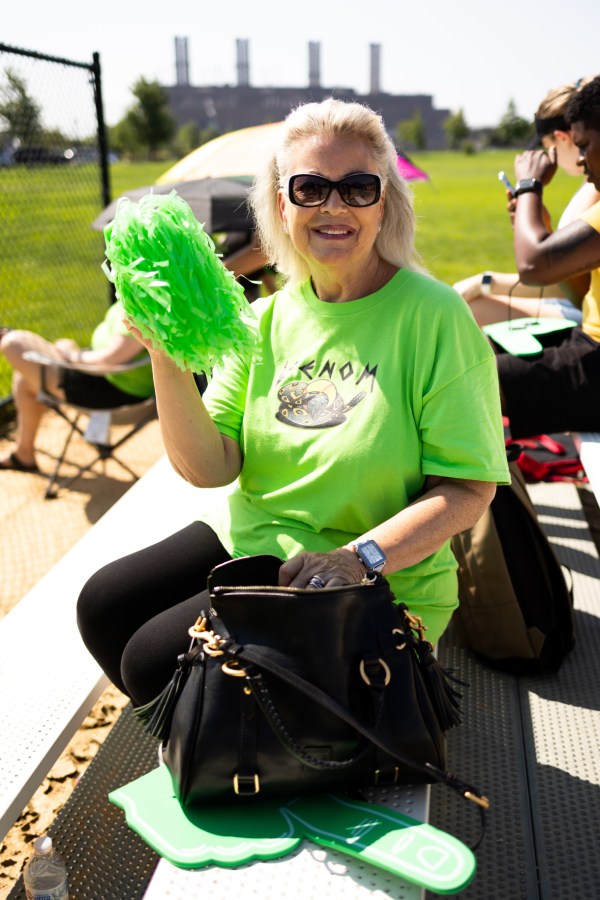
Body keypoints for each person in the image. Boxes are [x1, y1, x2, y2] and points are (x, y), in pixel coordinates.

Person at [76, 98, 509, 708]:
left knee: (153, 660)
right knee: (104, 605)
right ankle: (226, 740)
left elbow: (468, 488)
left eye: (358, 187)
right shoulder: (266, 318)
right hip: (258, 542)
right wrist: (165, 358)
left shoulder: (434, 315)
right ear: (282, 203)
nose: (335, 206)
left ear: (384, 201)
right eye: (311, 188)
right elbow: (212, 468)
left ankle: (272, 746)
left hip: (370, 573)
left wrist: (359, 557)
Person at [497, 75, 600, 439]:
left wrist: (529, 187)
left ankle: (477, 492)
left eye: (585, 144)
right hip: (587, 343)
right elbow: (574, 285)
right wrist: (535, 219)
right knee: (471, 358)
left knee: (462, 382)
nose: (583, 158)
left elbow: (534, 266)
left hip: (595, 362)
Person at [454, 77, 599, 328]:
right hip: (577, 307)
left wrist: (486, 282)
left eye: (546, 146)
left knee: (469, 311)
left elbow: (544, 270)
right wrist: (540, 223)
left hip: (583, 318)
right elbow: (562, 272)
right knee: (468, 309)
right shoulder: (589, 186)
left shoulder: (593, 191)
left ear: (562, 138)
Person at [0, 300, 153, 473]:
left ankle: (8, 335)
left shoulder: (142, 302)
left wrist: (73, 355)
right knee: (24, 378)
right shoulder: (138, 295)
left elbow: (110, 360)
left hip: (113, 394)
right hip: (105, 380)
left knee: (13, 343)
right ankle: (24, 455)